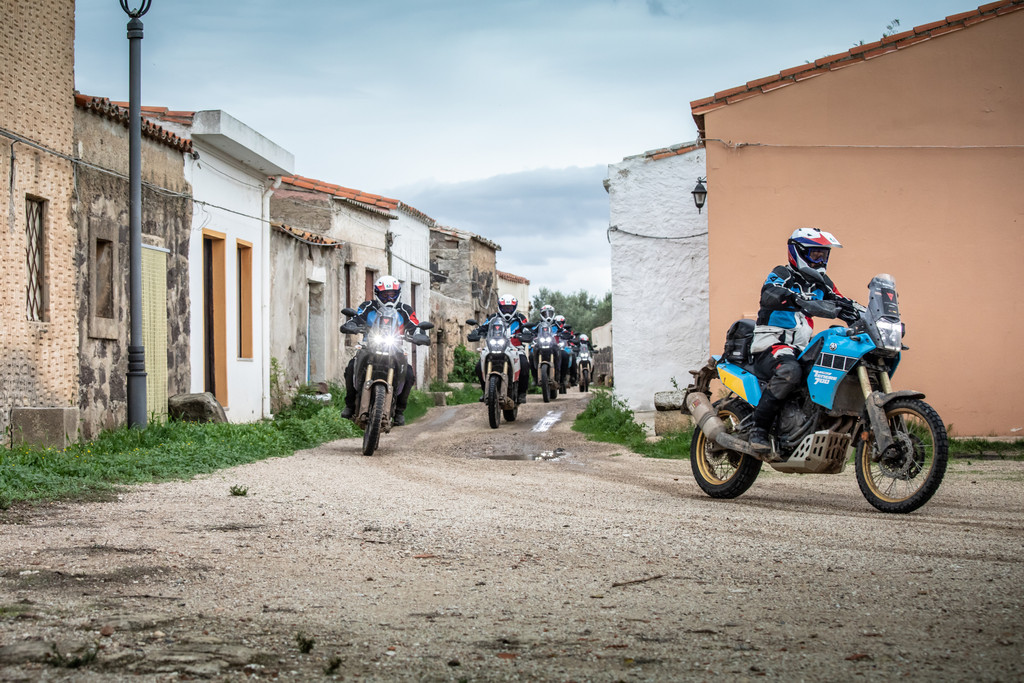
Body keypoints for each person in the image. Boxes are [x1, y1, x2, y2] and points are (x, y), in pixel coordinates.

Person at [748, 228, 859, 450]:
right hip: (772, 344)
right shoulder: (783, 274)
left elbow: (842, 301)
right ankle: (758, 429)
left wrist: (863, 314)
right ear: (797, 251)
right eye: (815, 254)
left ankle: (809, 425)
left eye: (824, 255)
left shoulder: (822, 283)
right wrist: (794, 298)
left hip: (801, 347)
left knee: (830, 370)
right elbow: (769, 291)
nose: (820, 260)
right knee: (789, 372)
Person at [340, 275, 422, 426]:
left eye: (392, 295)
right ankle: (350, 405)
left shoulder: (404, 309)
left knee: (409, 374)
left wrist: (419, 334)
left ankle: (399, 411)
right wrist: (351, 325)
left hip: (394, 347)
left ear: (398, 294)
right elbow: (357, 317)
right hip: (370, 345)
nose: (389, 298)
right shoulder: (368, 306)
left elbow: (414, 324)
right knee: (351, 367)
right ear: (377, 294)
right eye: (385, 295)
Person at [468, 294, 531, 402]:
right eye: (505, 308)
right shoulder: (493, 318)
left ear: (514, 307)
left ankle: (521, 393)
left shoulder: (520, 318)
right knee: (479, 366)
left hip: (516, 348)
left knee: (524, 364)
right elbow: (483, 327)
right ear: (500, 307)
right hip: (495, 346)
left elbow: (526, 328)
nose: (507, 310)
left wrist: (526, 333)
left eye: (509, 308)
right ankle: (485, 391)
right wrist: (476, 332)